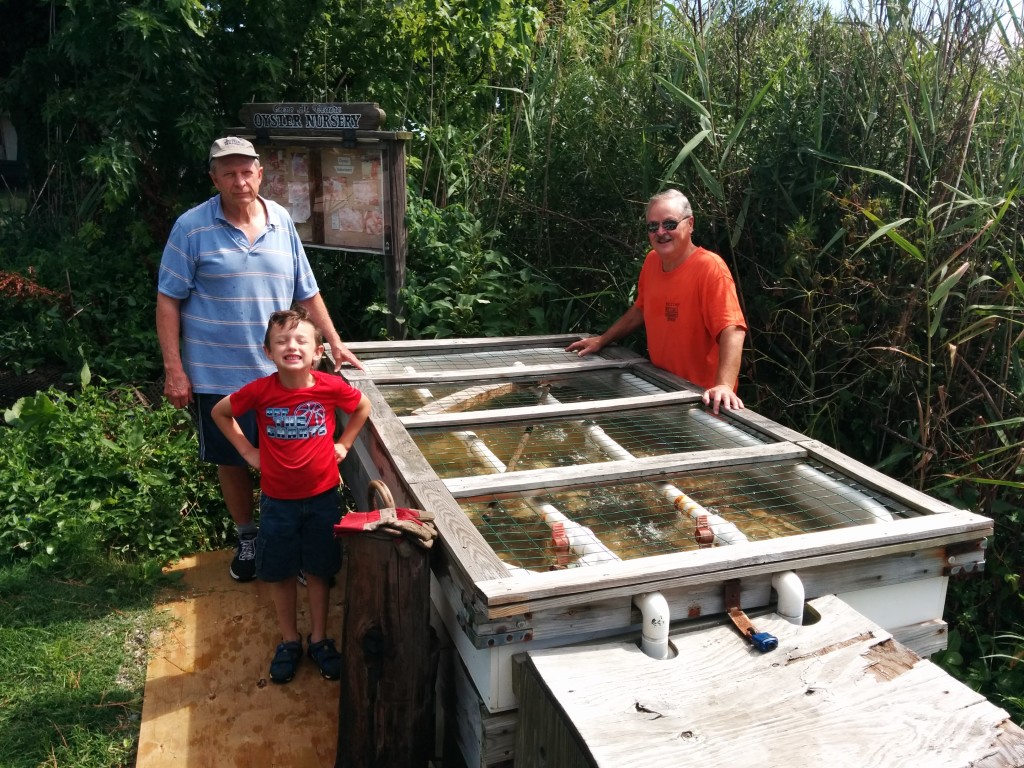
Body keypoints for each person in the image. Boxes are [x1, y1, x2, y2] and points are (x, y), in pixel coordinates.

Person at [156, 136, 365, 583]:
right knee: (233, 460)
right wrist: (175, 370)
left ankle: (298, 541)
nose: (239, 180)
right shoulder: (190, 228)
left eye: (246, 171)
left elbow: (305, 288)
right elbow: (168, 300)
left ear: (260, 173)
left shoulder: (281, 220)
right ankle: (249, 536)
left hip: (285, 374)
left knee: (298, 454)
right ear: (214, 178)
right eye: (228, 173)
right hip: (218, 374)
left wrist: (335, 341)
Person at [211, 306, 371, 683]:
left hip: (322, 499)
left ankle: (319, 639)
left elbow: (362, 406)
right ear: (268, 351)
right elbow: (221, 413)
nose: (291, 346)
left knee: (319, 569)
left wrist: (344, 445)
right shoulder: (261, 390)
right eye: (281, 341)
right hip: (277, 502)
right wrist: (249, 452)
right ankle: (288, 641)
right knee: (279, 571)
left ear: (318, 352)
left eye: (301, 340)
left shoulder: (330, 387)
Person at [566, 189, 746, 414]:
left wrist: (724, 386)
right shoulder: (652, 261)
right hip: (663, 385)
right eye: (653, 226)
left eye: (669, 224)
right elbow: (642, 308)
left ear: (690, 224)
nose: (661, 232)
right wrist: (602, 340)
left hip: (705, 400)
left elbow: (733, 329)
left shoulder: (710, 268)